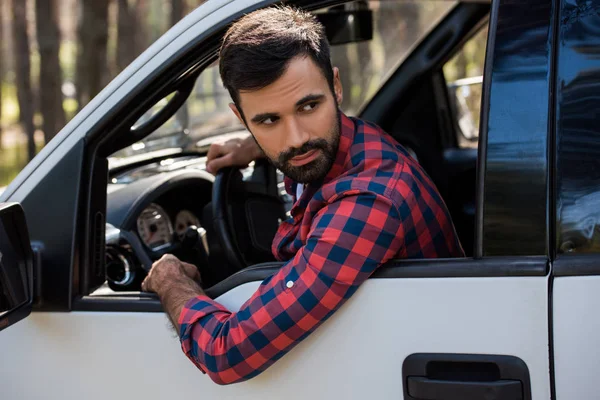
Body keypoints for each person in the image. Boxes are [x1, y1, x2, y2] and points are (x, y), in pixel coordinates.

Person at [141, 6, 464, 385]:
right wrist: (253, 147)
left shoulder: (369, 202)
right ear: (241, 116)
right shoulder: (346, 142)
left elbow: (226, 354)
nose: (295, 139)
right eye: (268, 119)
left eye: (309, 106)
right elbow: (297, 135)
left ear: (336, 87)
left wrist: (171, 281)